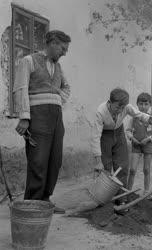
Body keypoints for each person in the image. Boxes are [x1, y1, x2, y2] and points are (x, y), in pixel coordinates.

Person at [13, 30, 71, 213]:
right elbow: (20, 88)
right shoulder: (29, 61)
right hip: (37, 116)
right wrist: (24, 117)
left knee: (55, 160)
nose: (65, 53)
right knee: (38, 160)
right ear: (52, 43)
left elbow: (66, 87)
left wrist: (57, 99)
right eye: (63, 48)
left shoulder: (59, 68)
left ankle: (45, 200)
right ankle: (32, 203)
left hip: (56, 118)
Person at [91, 88, 152, 206]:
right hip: (104, 136)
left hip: (119, 133)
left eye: (122, 108)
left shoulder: (127, 107)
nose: (120, 110)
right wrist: (98, 160)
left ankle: (121, 199)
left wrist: (148, 118)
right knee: (105, 167)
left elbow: (138, 114)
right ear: (110, 103)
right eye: (117, 107)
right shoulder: (100, 112)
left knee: (122, 166)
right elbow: (95, 136)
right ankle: (103, 200)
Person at [126, 93, 152, 194]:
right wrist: (132, 138)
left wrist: (148, 139)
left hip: (148, 145)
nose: (143, 107)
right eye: (141, 104)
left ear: (150, 105)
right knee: (132, 169)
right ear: (137, 104)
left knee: (146, 169)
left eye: (146, 104)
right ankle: (128, 191)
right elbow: (127, 130)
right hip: (136, 145)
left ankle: (146, 191)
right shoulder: (134, 118)